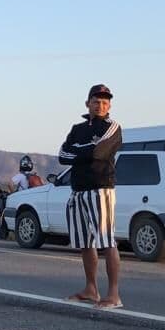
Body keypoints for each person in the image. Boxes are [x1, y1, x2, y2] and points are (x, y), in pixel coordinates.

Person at [58, 84, 124, 310]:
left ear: (110, 105)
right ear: (88, 103)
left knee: (106, 240)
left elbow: (100, 152)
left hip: (101, 188)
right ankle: (91, 288)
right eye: (96, 101)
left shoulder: (112, 127)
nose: (101, 105)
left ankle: (113, 294)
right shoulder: (77, 128)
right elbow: (62, 155)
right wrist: (87, 150)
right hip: (78, 190)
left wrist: (80, 151)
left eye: (105, 102)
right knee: (84, 242)